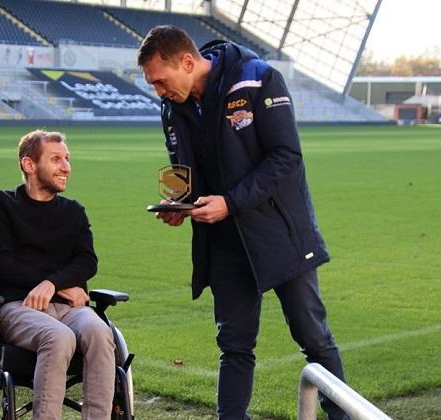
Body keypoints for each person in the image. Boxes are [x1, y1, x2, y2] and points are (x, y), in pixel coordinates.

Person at [138, 26, 349, 420]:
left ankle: (341, 416)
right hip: (223, 241)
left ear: (186, 62)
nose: (158, 91)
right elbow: (187, 171)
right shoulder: (172, 106)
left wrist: (231, 203)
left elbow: (286, 157)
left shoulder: (258, 78)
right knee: (234, 344)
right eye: (153, 84)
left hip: (280, 234)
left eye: (161, 81)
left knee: (313, 337)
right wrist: (180, 204)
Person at [0, 129, 115, 420]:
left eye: (67, 159)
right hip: (18, 307)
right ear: (29, 165)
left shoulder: (73, 212)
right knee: (59, 337)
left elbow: (87, 262)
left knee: (101, 333)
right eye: (56, 159)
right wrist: (53, 284)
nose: (66, 167)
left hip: (69, 308)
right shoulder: (0, 206)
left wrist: (53, 284)